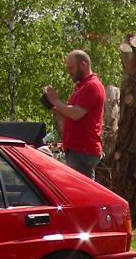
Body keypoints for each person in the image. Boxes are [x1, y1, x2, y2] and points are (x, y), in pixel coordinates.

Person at [44, 50, 106, 178]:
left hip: (83, 151)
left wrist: (55, 101)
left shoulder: (92, 86)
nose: (69, 72)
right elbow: (72, 113)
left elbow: (76, 114)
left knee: (82, 193)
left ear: (83, 64)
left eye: (71, 67)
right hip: (76, 150)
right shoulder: (81, 86)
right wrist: (58, 110)